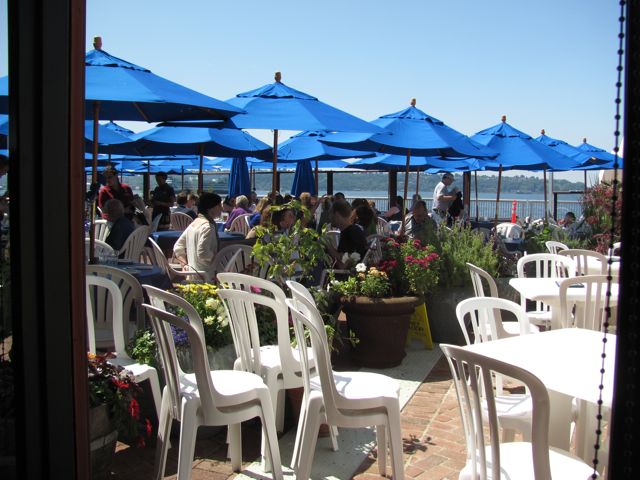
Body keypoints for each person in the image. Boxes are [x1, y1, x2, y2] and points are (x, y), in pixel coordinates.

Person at [173, 192, 222, 275]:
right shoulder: (208, 227)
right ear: (210, 208)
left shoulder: (194, 223)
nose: (221, 208)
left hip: (192, 274)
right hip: (206, 277)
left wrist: (184, 264)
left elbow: (178, 246)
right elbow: (203, 253)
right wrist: (216, 256)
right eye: (219, 205)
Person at [327, 200, 367, 268]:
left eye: (330, 214)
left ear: (336, 215)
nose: (329, 217)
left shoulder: (351, 233)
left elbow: (344, 265)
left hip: (345, 275)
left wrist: (328, 245)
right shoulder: (352, 230)